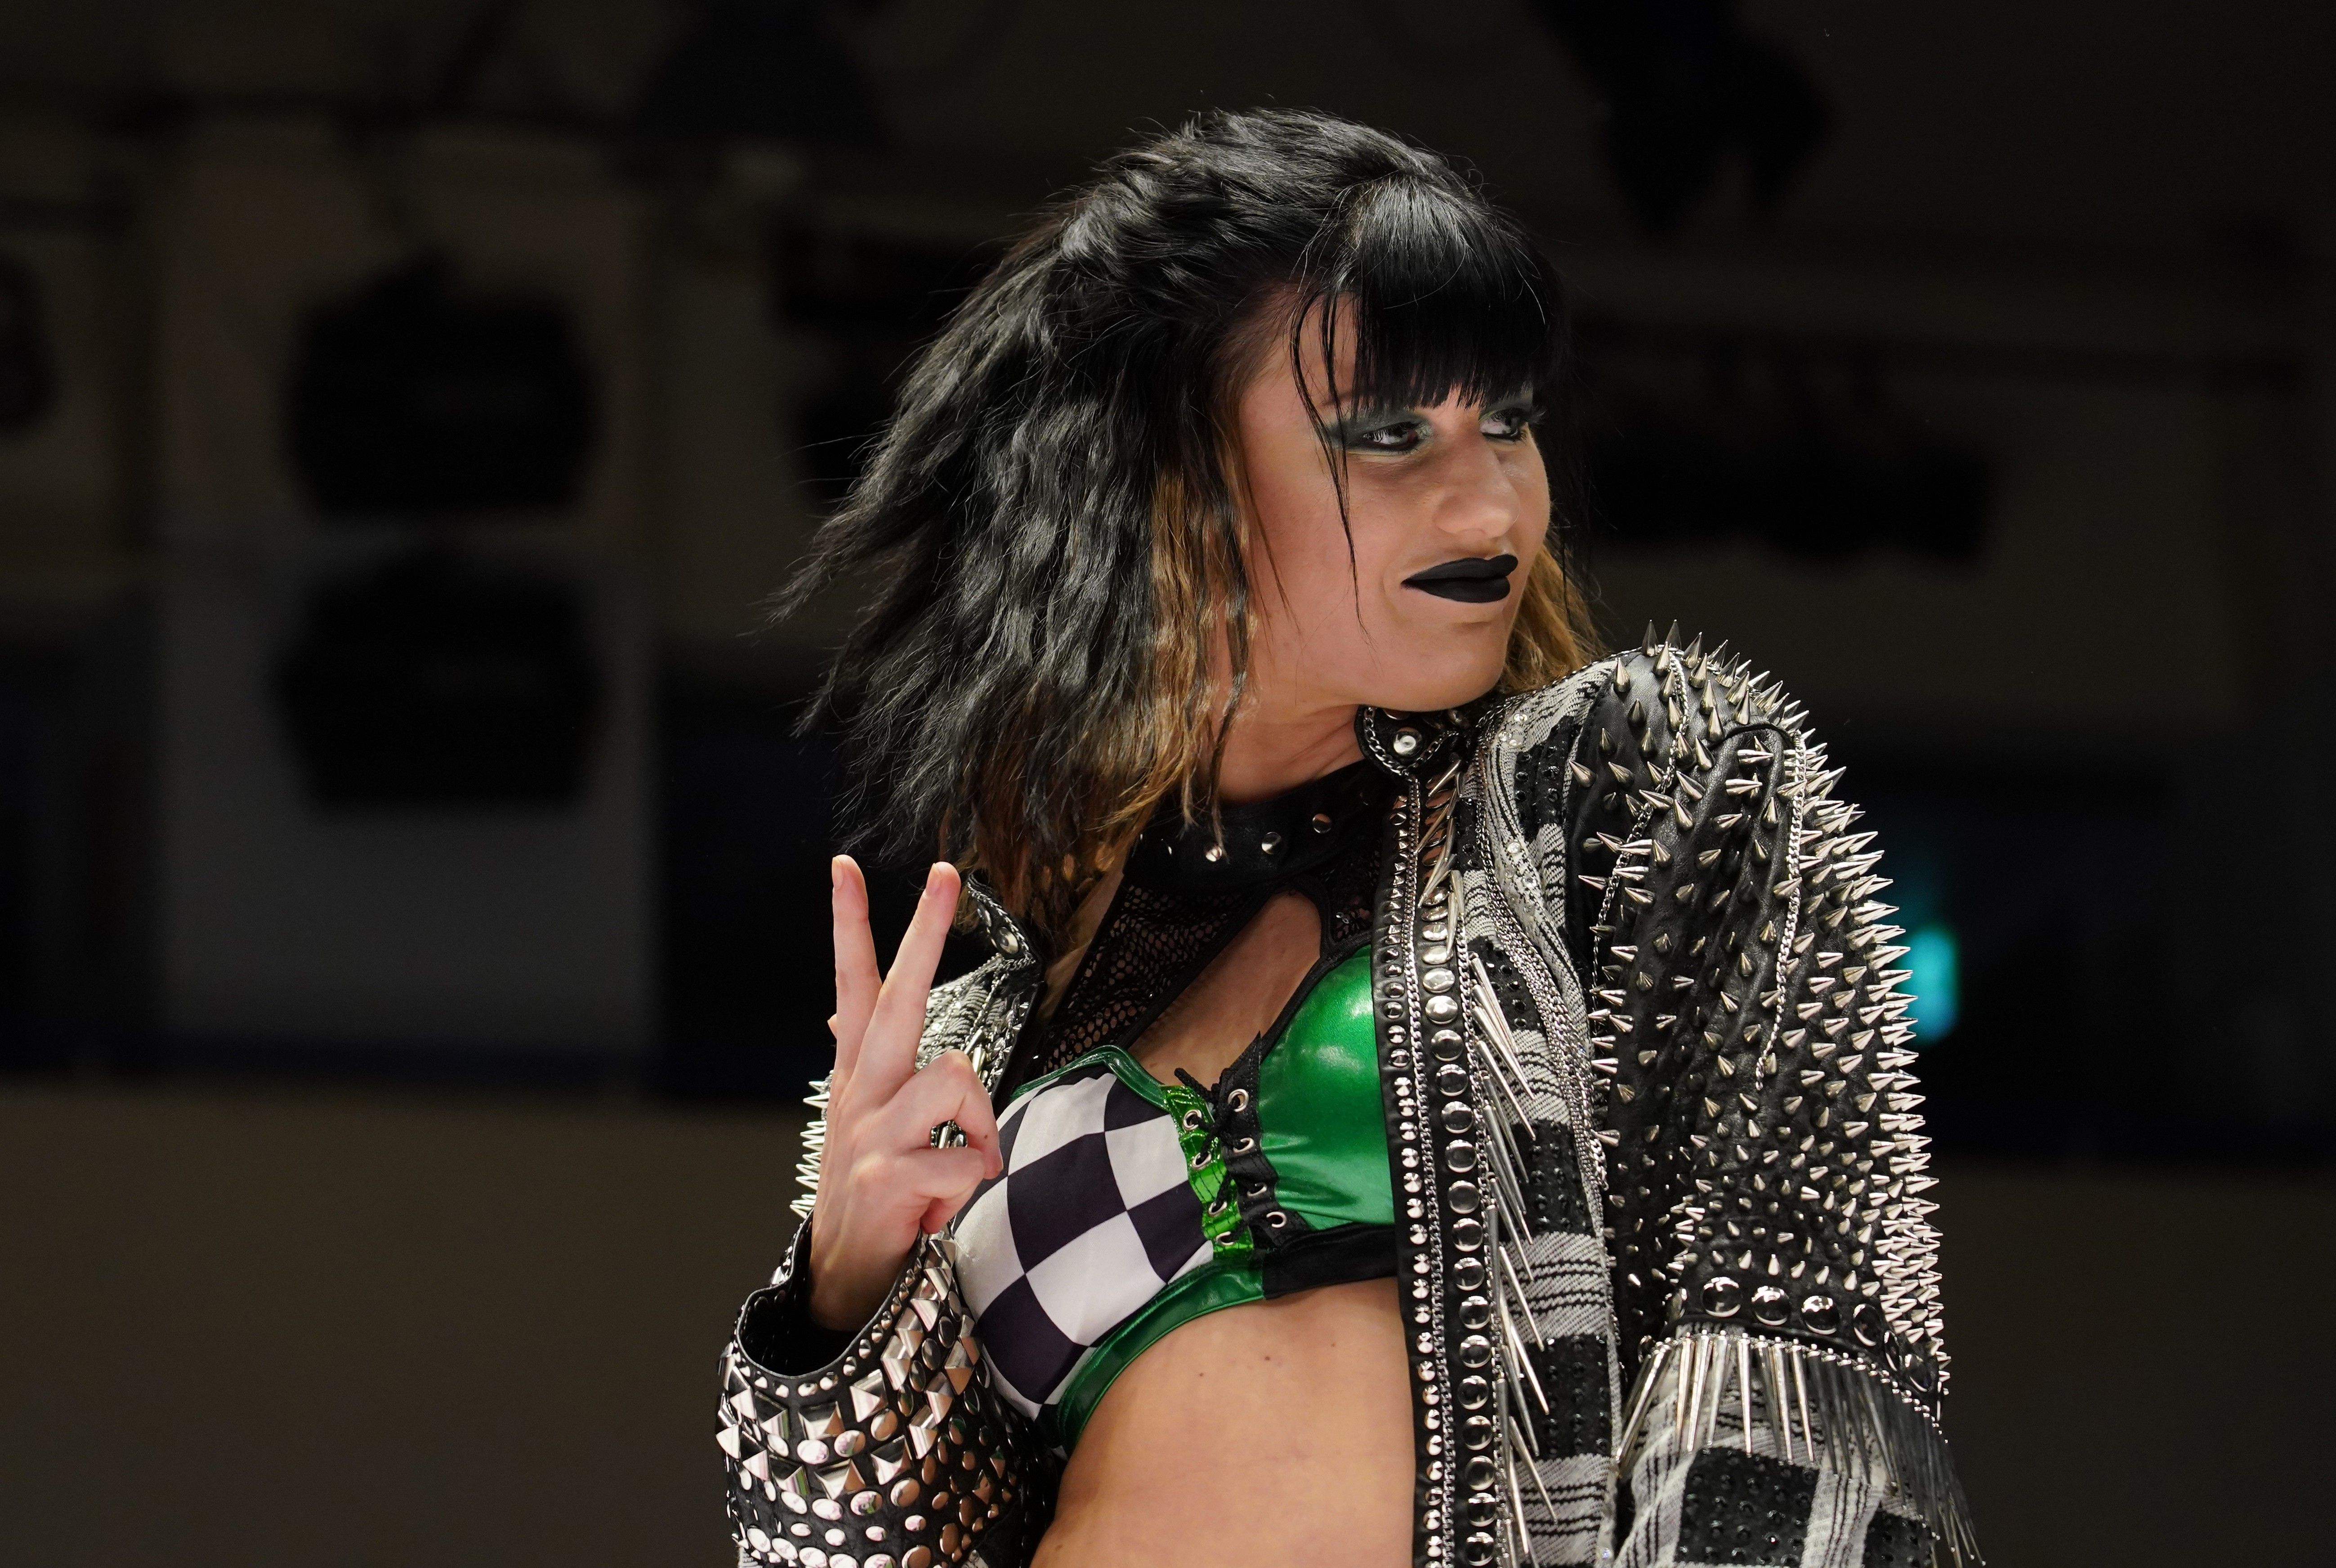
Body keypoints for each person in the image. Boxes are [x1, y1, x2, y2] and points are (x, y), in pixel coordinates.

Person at [715, 109, 1975, 1568]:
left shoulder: (1639, 793)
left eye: (1508, 419)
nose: (1490, 498)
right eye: (1388, 434)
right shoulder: (999, 1016)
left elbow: (1801, 1379)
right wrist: (840, 1303)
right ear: (1168, 476)